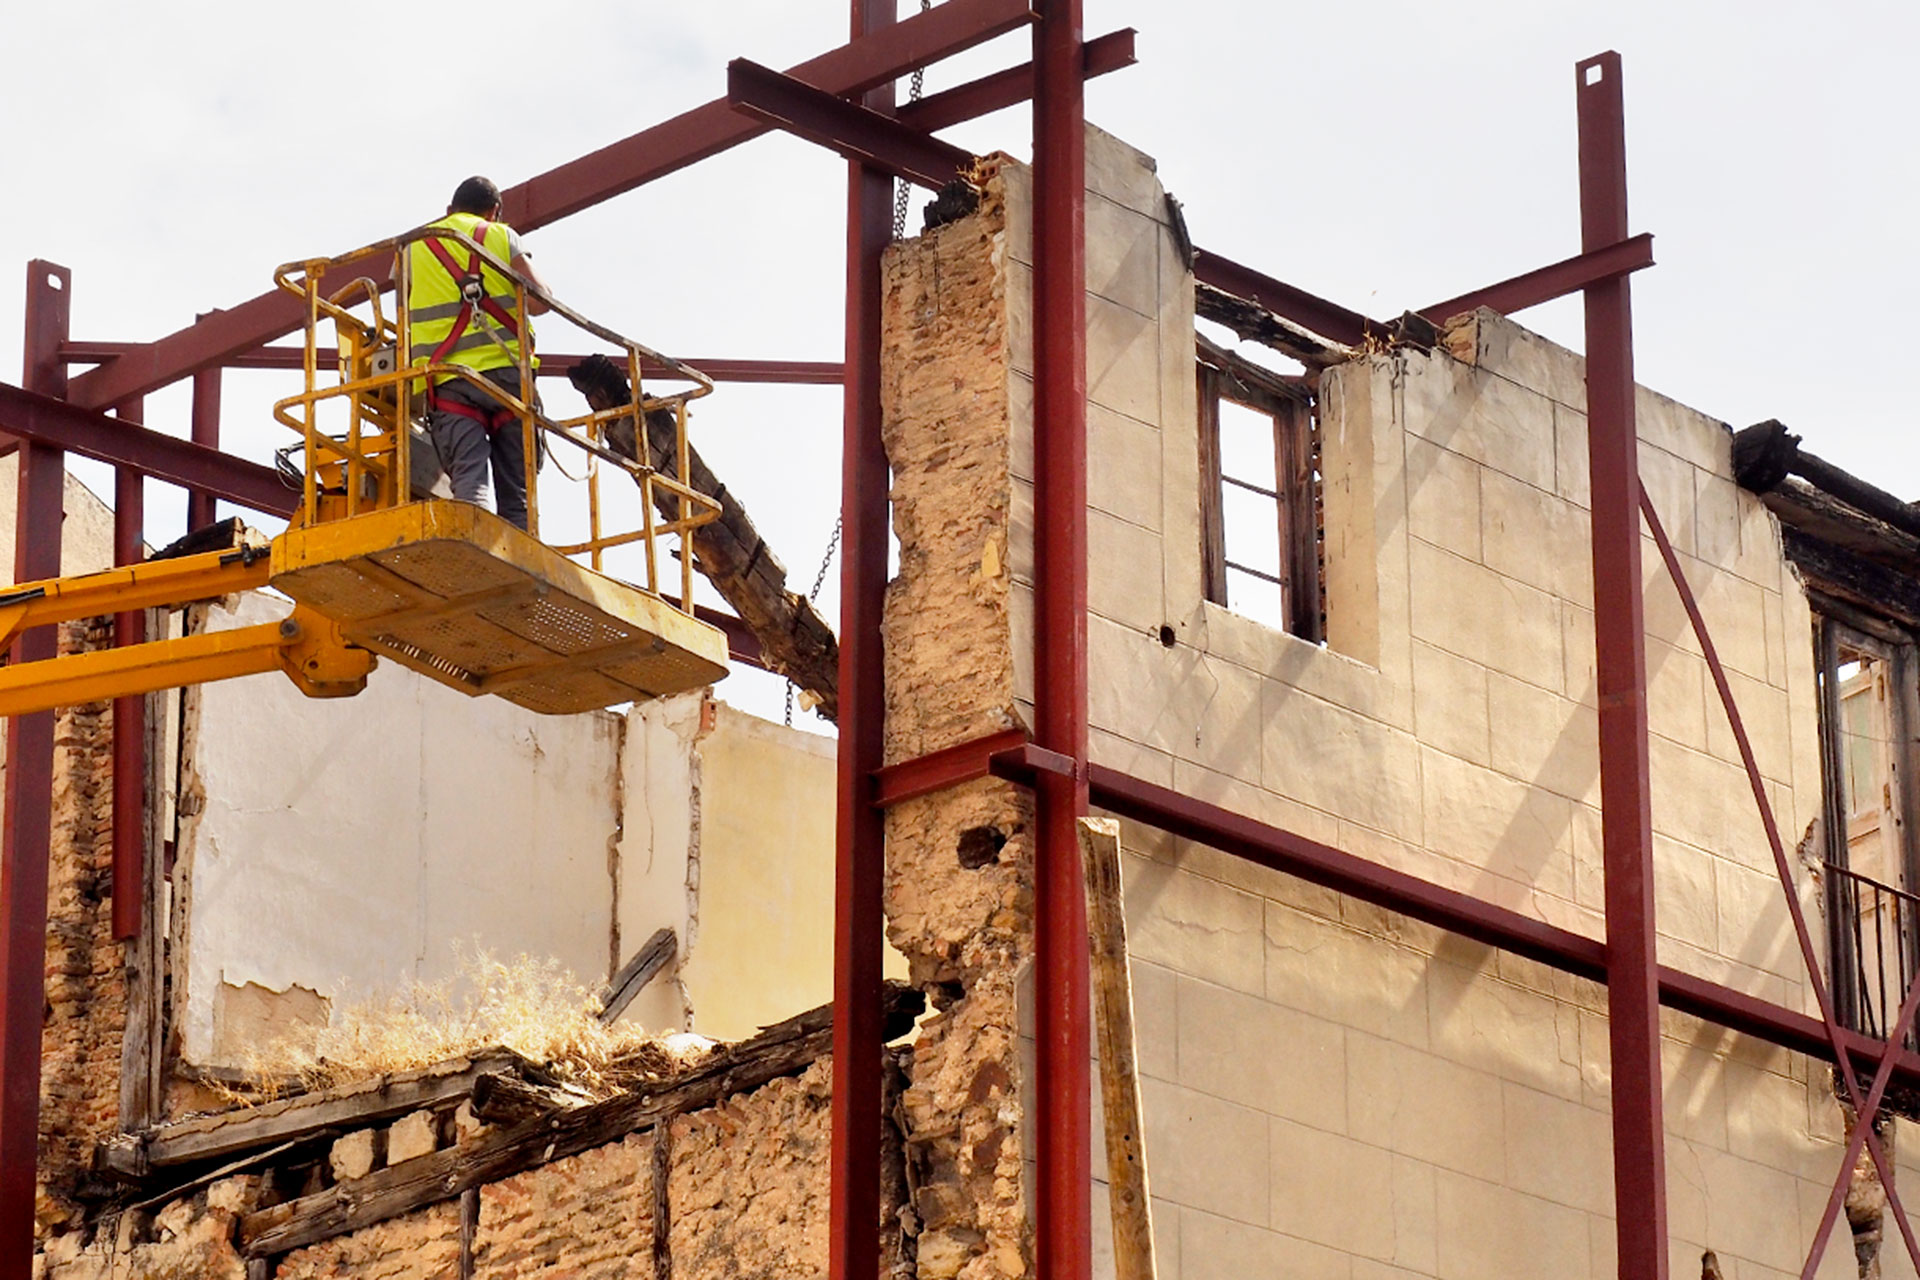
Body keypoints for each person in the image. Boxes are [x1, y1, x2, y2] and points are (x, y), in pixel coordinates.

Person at [408, 176, 552, 530]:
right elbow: (541, 302)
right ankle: (519, 559)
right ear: (495, 212)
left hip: (448, 381)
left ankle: (476, 545)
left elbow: (403, 306)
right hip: (507, 380)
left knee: (470, 483)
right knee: (516, 492)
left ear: (448, 211)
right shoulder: (502, 236)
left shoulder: (413, 247)